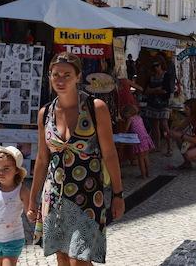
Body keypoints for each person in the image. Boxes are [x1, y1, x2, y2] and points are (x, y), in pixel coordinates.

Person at [27, 52, 124, 265]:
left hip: (87, 195)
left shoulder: (95, 108)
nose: (60, 80)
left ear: (78, 77)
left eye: (67, 75)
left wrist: (118, 194)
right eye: (55, 75)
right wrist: (32, 198)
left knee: (80, 259)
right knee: (62, 258)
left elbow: (109, 154)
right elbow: (43, 158)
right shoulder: (46, 113)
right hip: (54, 196)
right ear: (49, 77)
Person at [144, 61, 173, 156]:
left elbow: (166, 91)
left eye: (157, 65)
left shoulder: (166, 75)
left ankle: (169, 147)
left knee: (164, 125)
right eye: (154, 66)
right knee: (154, 126)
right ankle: (157, 146)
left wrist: (153, 91)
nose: (156, 67)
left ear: (161, 65)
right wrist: (156, 90)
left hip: (163, 104)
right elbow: (146, 90)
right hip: (152, 103)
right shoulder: (150, 76)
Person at [123, 104, 154, 179]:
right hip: (146, 138)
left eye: (125, 114)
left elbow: (126, 129)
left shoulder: (130, 119)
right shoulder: (139, 118)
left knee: (140, 159)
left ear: (128, 113)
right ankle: (148, 173)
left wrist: (123, 133)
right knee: (146, 157)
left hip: (139, 140)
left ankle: (143, 175)